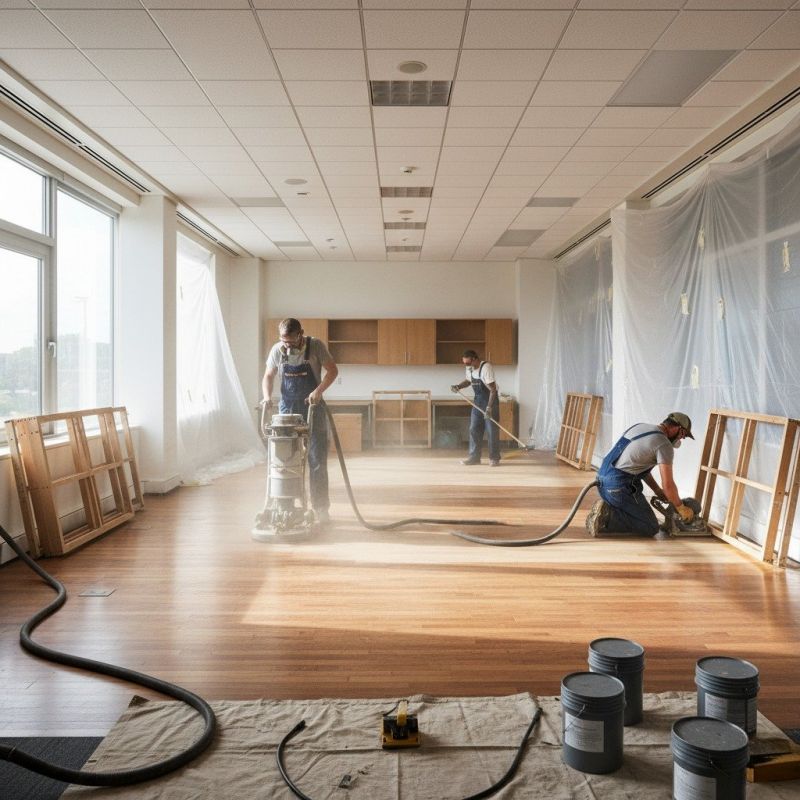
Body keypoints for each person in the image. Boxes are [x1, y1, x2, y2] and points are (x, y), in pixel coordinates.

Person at [262, 318, 339, 524]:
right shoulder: (278, 350)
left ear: (301, 334)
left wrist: (318, 391)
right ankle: (285, 504)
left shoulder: (316, 346)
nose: (287, 345)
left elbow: (333, 370)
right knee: (285, 460)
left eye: (291, 341)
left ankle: (321, 508)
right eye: (283, 341)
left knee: (316, 460)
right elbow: (268, 375)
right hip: (287, 410)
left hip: (313, 408)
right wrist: (267, 397)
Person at [585, 412, 696, 537]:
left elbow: (639, 469)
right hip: (617, 487)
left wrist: (657, 491)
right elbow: (668, 484)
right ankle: (607, 517)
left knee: (637, 506)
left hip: (602, 481)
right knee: (650, 526)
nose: (681, 439)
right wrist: (680, 507)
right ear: (678, 428)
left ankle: (608, 508)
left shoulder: (641, 426)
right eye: (683, 435)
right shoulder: (664, 444)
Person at [450, 349, 501, 467]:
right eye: (465, 364)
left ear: (474, 359)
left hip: (490, 401)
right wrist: (458, 386)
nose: (466, 366)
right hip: (478, 402)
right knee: (474, 429)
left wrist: (489, 408)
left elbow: (493, 390)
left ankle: (494, 458)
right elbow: (468, 381)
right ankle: (474, 457)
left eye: (468, 363)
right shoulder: (470, 368)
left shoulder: (486, 368)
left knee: (491, 431)